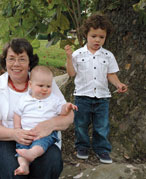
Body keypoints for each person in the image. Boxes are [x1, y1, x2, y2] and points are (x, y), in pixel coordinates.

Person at [0, 38, 74, 179]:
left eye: (22, 59)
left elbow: (69, 116)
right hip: (6, 138)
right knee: (15, 173)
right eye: (11, 59)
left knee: (51, 163)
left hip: (41, 138)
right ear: (5, 62)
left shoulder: (44, 82)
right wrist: (15, 133)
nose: (16, 64)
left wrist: (50, 125)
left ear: (30, 63)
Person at [64, 13, 128, 164]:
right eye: (93, 36)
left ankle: (102, 150)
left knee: (102, 126)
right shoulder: (77, 54)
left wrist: (118, 84)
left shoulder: (108, 55)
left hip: (102, 98)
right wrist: (68, 58)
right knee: (81, 124)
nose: (97, 40)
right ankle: (82, 147)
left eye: (101, 37)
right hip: (82, 96)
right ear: (86, 34)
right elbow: (72, 73)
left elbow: (110, 74)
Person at [13, 65, 78, 176]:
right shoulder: (24, 100)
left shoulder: (53, 100)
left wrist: (66, 107)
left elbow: (61, 111)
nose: (45, 89)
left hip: (45, 134)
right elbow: (17, 115)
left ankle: (32, 153)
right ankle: (24, 165)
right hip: (26, 133)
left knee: (40, 144)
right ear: (30, 85)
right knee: (21, 147)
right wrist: (17, 129)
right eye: (41, 85)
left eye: (48, 86)